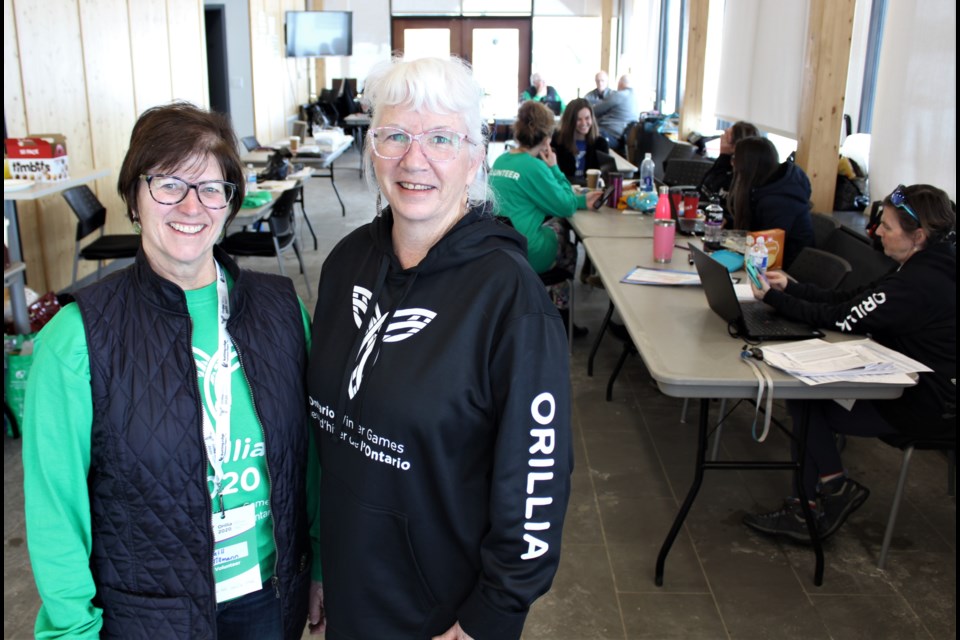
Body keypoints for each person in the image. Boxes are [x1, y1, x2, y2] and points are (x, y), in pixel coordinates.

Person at [22, 102, 319, 639]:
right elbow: (55, 507)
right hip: (147, 616)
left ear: (229, 202)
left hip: (269, 599)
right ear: (134, 198)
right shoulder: (76, 337)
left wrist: (317, 564)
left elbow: (310, 458)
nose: (192, 205)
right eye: (168, 184)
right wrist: (71, 629)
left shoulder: (282, 310)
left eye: (211, 187)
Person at [305, 56, 573, 640]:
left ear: (477, 155)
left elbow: (537, 480)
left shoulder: (510, 299)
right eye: (393, 135)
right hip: (352, 594)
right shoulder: (347, 262)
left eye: (441, 138)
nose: (413, 158)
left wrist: (492, 617)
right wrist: (321, 560)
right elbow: (326, 436)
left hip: (442, 613)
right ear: (371, 146)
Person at [743, 184, 956, 542]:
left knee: (808, 401)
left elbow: (845, 318)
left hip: (925, 402)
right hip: (909, 379)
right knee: (805, 397)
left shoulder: (918, 282)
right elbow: (854, 298)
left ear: (917, 235)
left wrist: (777, 301)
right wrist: (792, 288)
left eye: (887, 227)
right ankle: (822, 492)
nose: (877, 232)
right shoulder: (927, 262)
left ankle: (823, 496)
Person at [489, 100, 604, 337]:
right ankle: (560, 316)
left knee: (553, 228)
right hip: (529, 252)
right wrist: (554, 168)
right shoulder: (535, 167)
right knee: (565, 239)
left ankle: (535, 305)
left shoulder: (501, 161)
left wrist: (581, 200)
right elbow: (565, 205)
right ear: (546, 139)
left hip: (500, 250)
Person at [727, 136, 814, 268]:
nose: (732, 164)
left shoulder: (779, 202)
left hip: (786, 273)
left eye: (735, 159)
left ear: (747, 165)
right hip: (771, 266)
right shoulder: (766, 187)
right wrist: (728, 222)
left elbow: (766, 250)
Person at [698, 120, 759, 208]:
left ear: (735, 145)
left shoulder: (742, 176)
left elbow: (716, 194)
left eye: (726, 135)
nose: (721, 137)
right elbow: (703, 187)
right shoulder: (724, 161)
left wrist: (724, 155)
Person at [552, 97, 610, 184]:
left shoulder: (600, 144)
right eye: (578, 119)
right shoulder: (557, 142)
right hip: (564, 191)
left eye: (587, 118)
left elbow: (605, 176)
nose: (584, 123)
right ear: (570, 121)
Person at [592, 74, 639, 149]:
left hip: (609, 135)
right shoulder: (636, 99)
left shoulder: (619, 95)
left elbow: (595, 111)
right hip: (622, 138)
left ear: (620, 84)